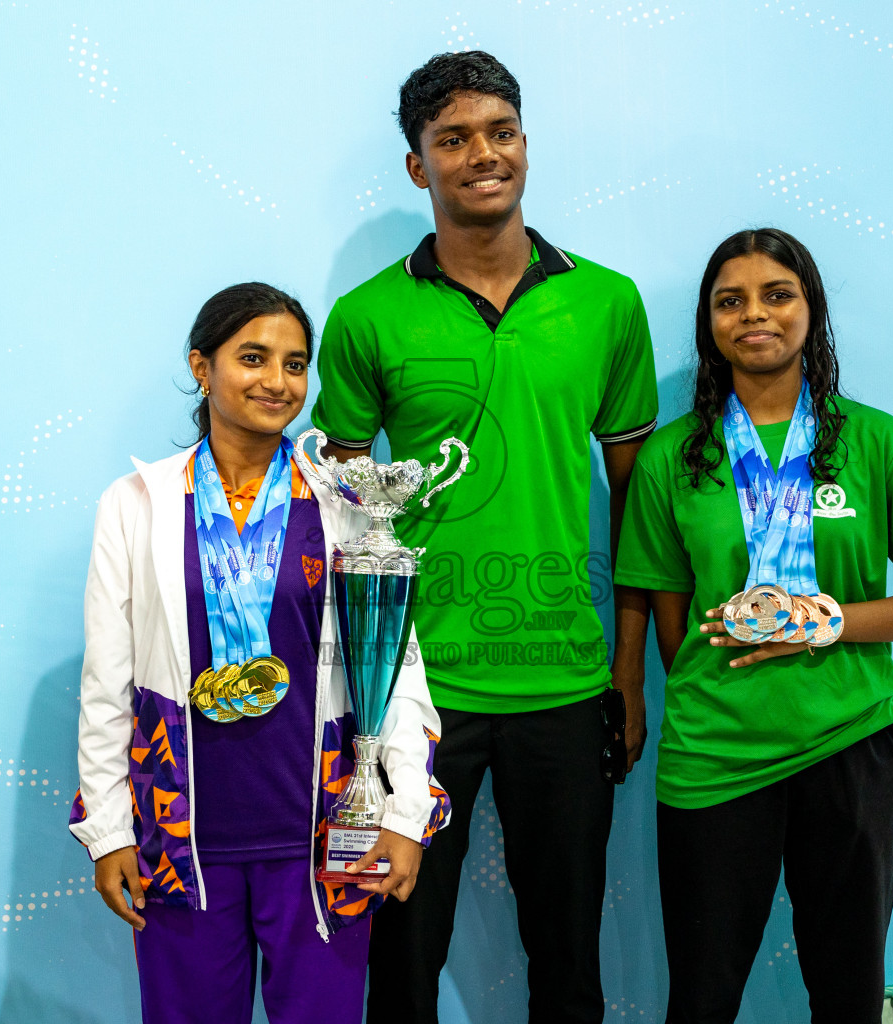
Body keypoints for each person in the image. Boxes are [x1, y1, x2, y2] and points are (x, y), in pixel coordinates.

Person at [310, 50, 659, 1024]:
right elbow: (339, 513)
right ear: (417, 165)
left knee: (570, 963)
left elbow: (638, 507)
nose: (483, 154)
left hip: (566, 680)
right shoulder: (366, 317)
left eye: (500, 132)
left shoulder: (608, 304)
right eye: (454, 139)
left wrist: (628, 672)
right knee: (401, 963)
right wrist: (357, 695)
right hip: (416, 694)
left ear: (526, 145)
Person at [613, 228, 893, 1024]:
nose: (754, 314)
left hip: (849, 744)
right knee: (701, 1001)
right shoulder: (674, 457)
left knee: (847, 999)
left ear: (811, 311)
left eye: (777, 295)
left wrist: (827, 622)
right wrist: (726, 693)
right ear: (710, 323)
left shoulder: (875, 440)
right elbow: (671, 627)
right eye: (730, 301)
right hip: (714, 756)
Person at [68, 282, 450, 1024]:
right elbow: (107, 683)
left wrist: (407, 812)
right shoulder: (136, 504)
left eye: (295, 364)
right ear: (201, 367)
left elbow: (396, 670)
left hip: (324, 834)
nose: (278, 381)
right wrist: (110, 831)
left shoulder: (343, 505)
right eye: (253, 358)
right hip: (181, 837)